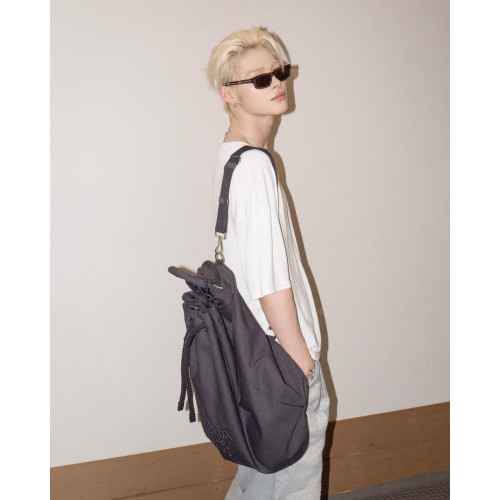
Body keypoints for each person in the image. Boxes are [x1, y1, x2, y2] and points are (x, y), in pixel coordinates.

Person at [206, 27, 330, 500]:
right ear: (229, 94)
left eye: (279, 71)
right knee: (293, 484)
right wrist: (301, 363)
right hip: (281, 357)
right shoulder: (254, 165)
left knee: (259, 479)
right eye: (259, 78)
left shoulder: (232, 157)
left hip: (255, 354)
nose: (277, 82)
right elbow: (269, 281)